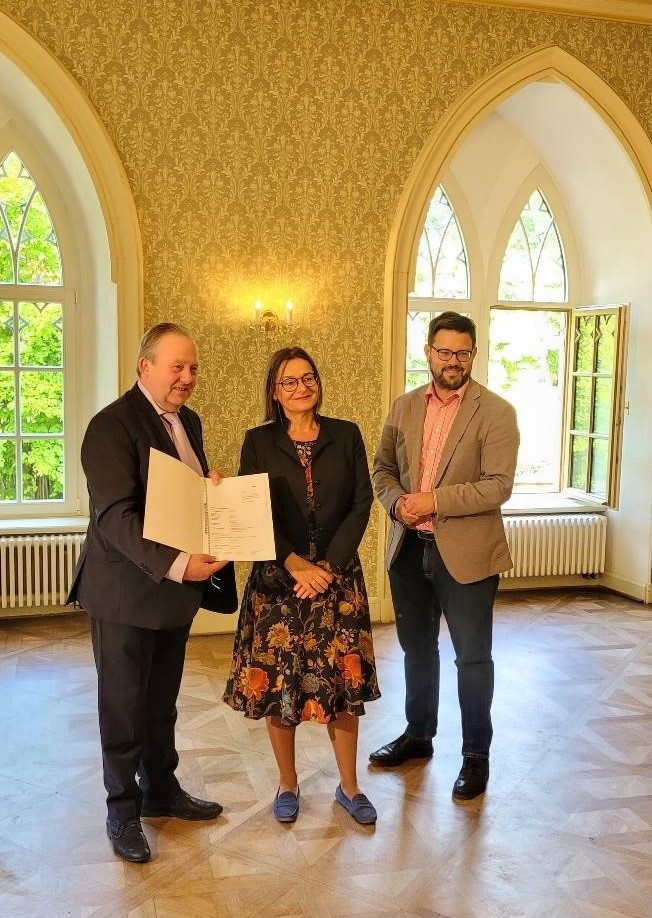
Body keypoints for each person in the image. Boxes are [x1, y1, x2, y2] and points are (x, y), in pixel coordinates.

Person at [68, 322, 228, 863]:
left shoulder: (189, 422)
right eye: (177, 366)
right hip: (124, 592)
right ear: (146, 367)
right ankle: (122, 810)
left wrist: (211, 491)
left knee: (161, 702)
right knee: (122, 707)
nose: (187, 377)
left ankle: (161, 789)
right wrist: (179, 564)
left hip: (173, 594)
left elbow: (180, 497)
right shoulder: (110, 426)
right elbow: (116, 516)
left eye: (193, 368)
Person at [223, 347, 380, 825]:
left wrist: (326, 568)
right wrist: (295, 564)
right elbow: (252, 511)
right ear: (275, 391)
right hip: (278, 581)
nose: (300, 387)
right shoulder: (257, 441)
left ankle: (349, 786)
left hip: (337, 580)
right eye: (289, 381)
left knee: (343, 684)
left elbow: (361, 503)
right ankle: (287, 783)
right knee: (279, 685)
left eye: (307, 378)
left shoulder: (346, 434)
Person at [369, 311, 519, 800]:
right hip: (409, 550)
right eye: (444, 351)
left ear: (473, 354)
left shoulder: (496, 411)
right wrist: (397, 503)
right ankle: (418, 735)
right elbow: (382, 469)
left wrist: (433, 501)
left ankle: (476, 756)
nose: (453, 361)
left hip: (468, 556)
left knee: (472, 658)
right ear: (428, 352)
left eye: (462, 352)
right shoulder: (405, 406)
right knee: (416, 649)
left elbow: (498, 486)